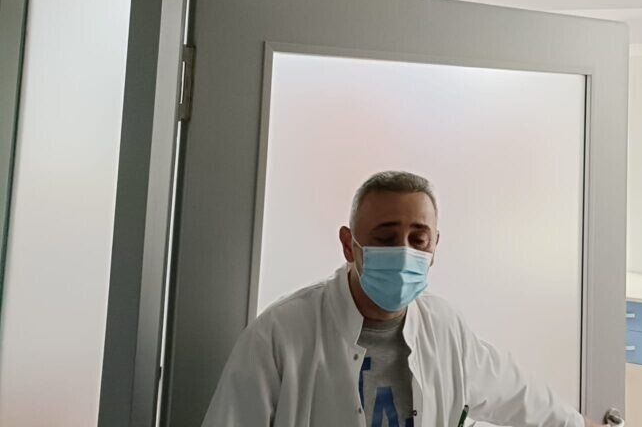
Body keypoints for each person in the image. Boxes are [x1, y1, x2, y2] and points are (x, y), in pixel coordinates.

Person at [203, 171, 601, 427]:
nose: (405, 251)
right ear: (348, 244)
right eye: (386, 237)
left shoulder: (443, 328)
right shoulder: (280, 335)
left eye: (418, 239)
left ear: (435, 246)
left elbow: (520, 397)